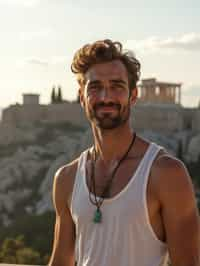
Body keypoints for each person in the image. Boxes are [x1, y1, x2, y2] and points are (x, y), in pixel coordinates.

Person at [48, 39, 200, 266]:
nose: (106, 97)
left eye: (117, 86)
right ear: (81, 96)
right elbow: (61, 261)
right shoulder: (66, 178)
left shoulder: (166, 174)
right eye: (95, 87)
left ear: (133, 95)